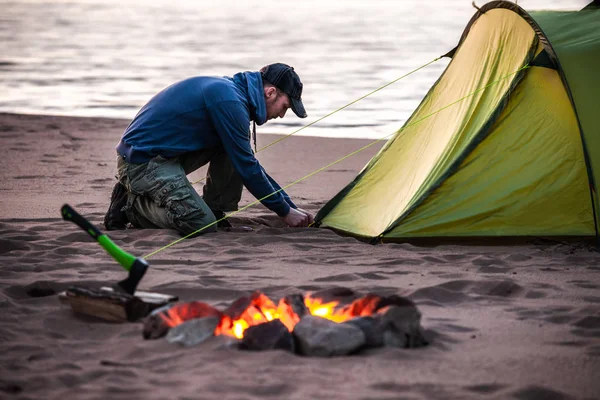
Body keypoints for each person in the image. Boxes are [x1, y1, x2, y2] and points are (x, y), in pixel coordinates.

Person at [103, 63, 314, 235]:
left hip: (166, 156)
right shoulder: (230, 101)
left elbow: (246, 161)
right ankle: (130, 206)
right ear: (270, 92)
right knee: (201, 224)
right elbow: (248, 168)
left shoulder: (235, 96)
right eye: (285, 107)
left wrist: (289, 206)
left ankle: (215, 208)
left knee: (235, 150)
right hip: (141, 162)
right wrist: (285, 212)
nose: (282, 115)